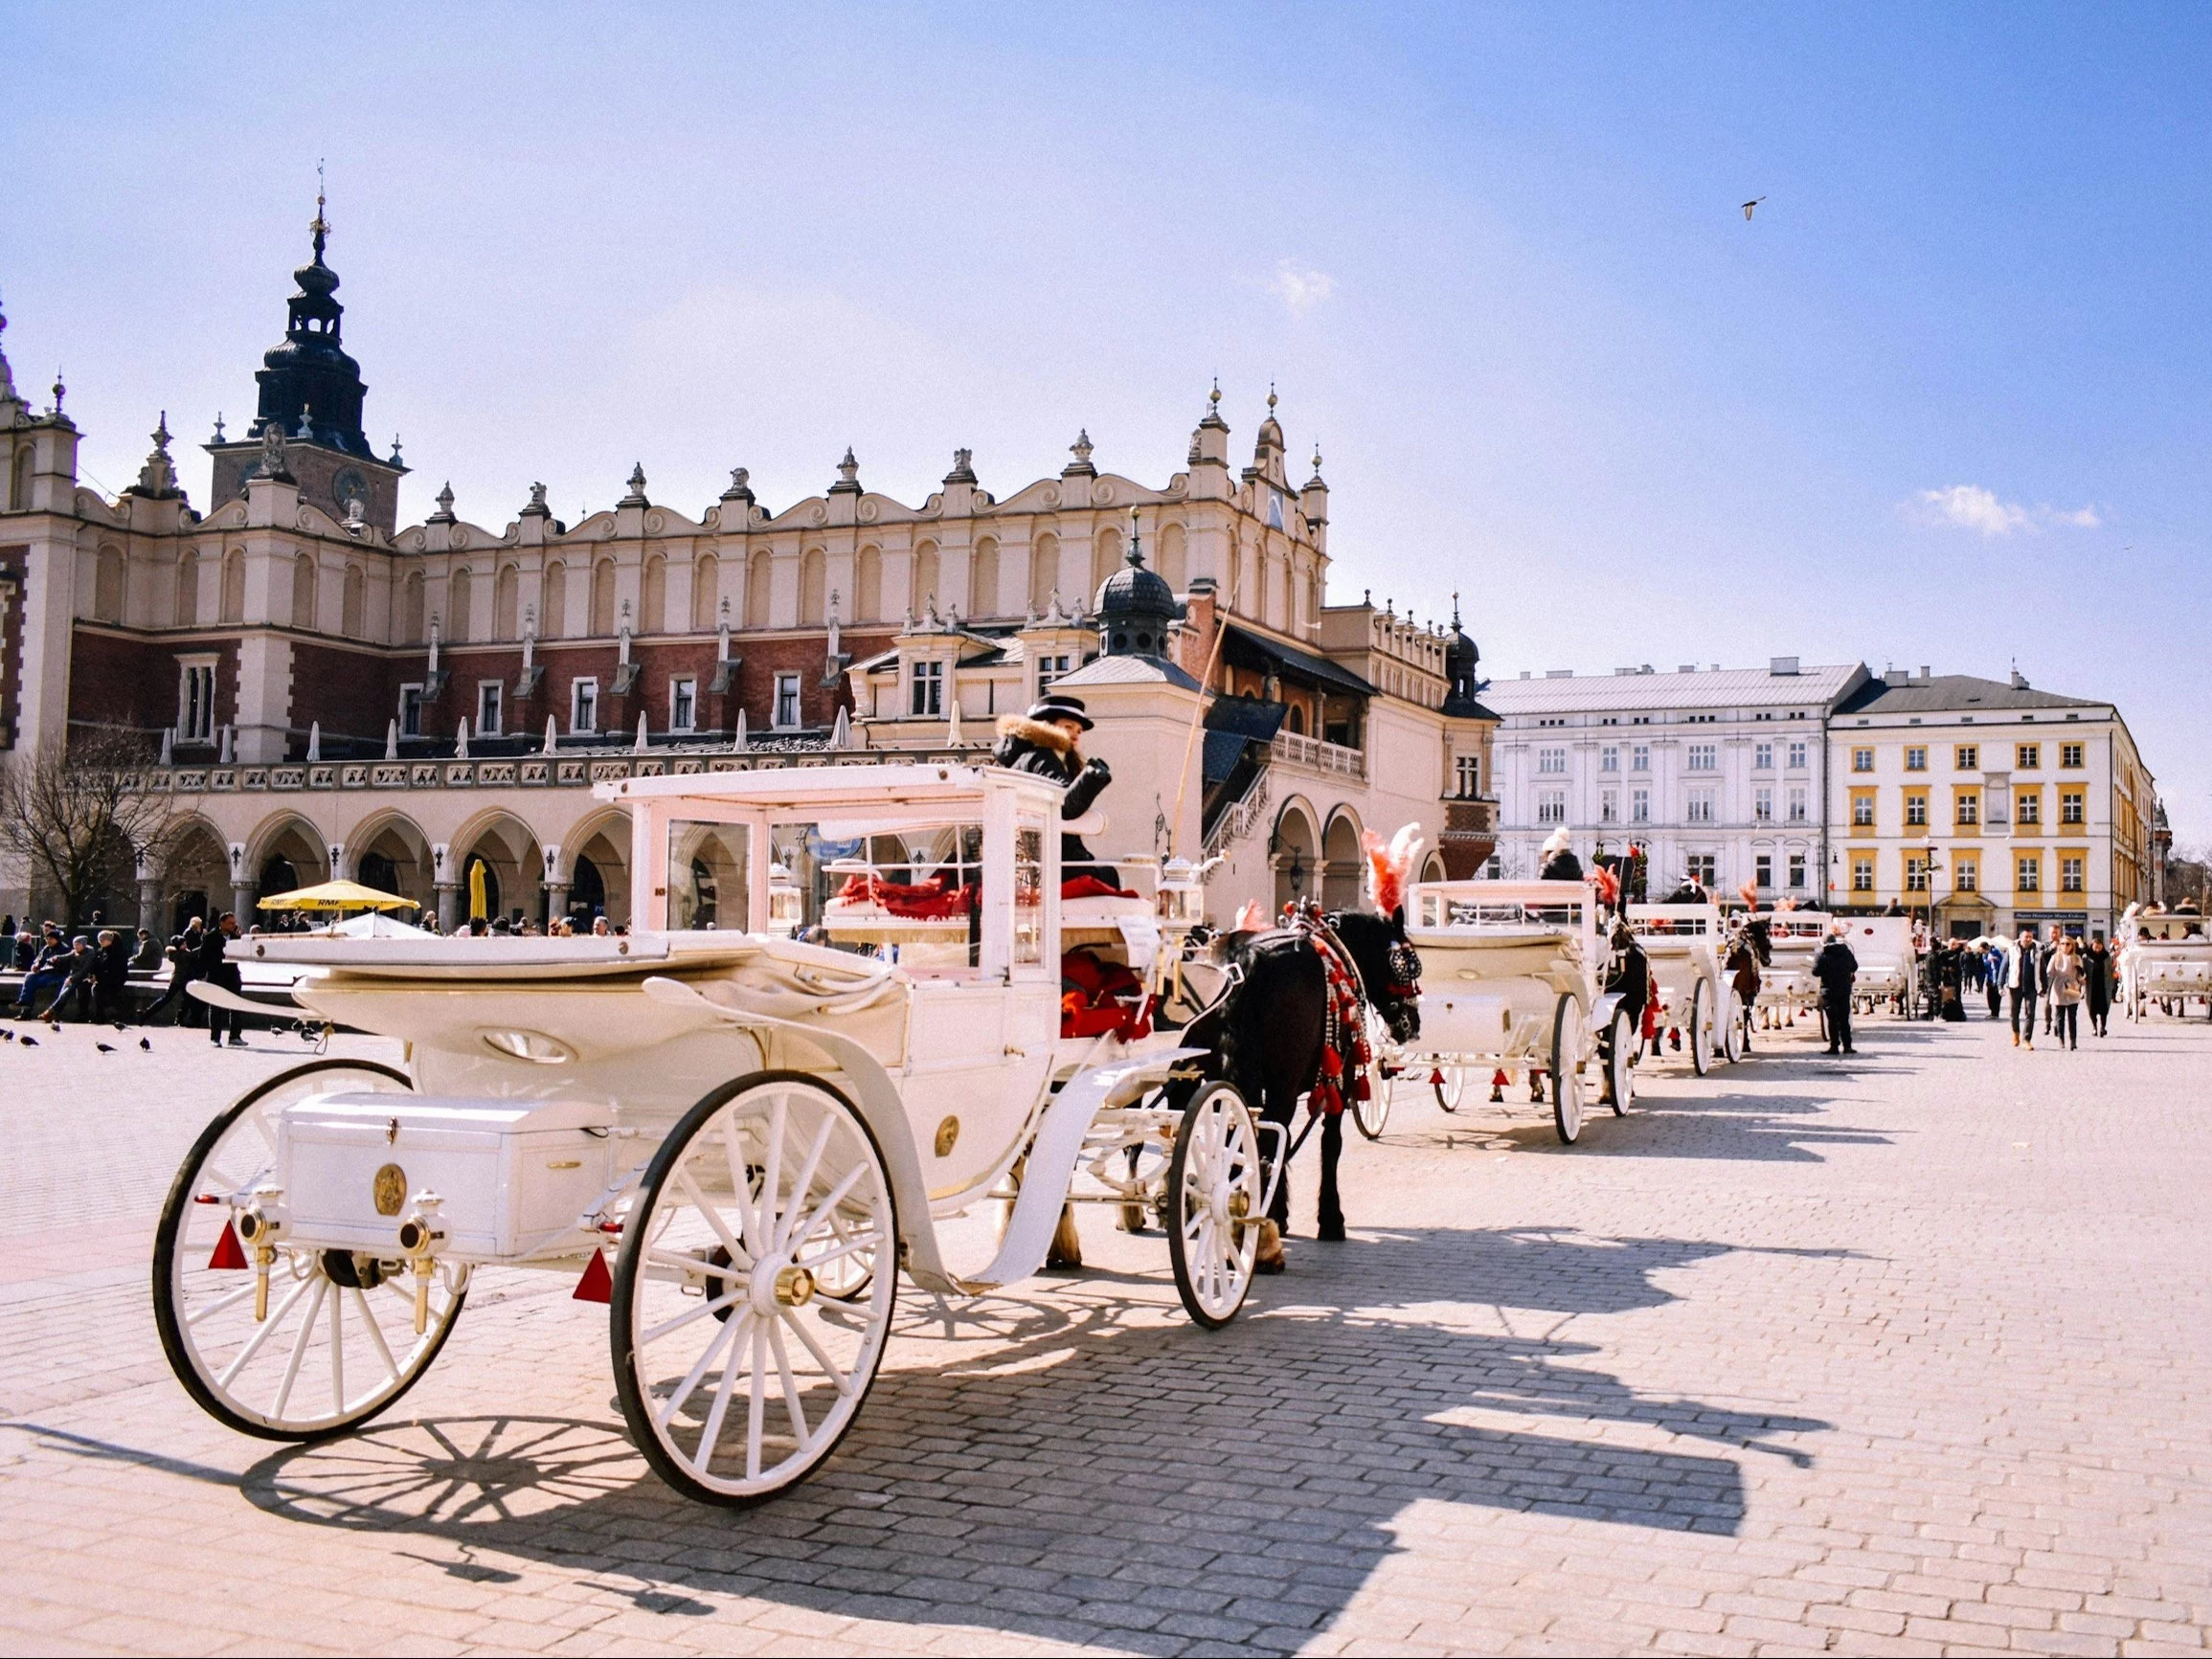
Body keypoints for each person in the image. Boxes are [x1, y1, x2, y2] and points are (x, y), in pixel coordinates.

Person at [991, 692, 1117, 887]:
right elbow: (1065, 806)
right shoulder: (1043, 757)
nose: (1076, 733)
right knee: (1109, 875)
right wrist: (1093, 775)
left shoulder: (1030, 756)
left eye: (1079, 730)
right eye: (1068, 727)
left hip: (1040, 863)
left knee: (1108, 873)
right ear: (1046, 725)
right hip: (1056, 865)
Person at [141, 915, 206, 1026]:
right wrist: (205, 941)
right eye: (184, 944)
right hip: (182, 980)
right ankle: (193, 1020)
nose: (186, 945)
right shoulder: (184, 954)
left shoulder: (176, 954)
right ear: (180, 946)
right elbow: (195, 952)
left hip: (177, 980)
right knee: (190, 1000)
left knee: (169, 999)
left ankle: (146, 1014)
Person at [198, 912, 247, 1048]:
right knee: (215, 1007)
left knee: (236, 1005)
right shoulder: (210, 937)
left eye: (234, 923)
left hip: (232, 975)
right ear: (222, 923)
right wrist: (203, 974)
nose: (233, 925)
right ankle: (215, 1038)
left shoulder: (236, 938)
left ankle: (235, 1036)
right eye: (230, 923)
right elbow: (203, 957)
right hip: (216, 975)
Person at [1813, 922, 1859, 1055]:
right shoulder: (1846, 952)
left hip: (1828, 991)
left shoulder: (1823, 955)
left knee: (1832, 1020)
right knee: (1844, 1019)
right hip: (1844, 990)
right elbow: (1854, 967)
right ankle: (1847, 1046)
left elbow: (1815, 972)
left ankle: (1834, 1046)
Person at [11, 924, 70, 1017]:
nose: (48, 941)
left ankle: (26, 1010)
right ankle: (24, 1002)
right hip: (45, 972)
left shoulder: (64, 949)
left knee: (35, 983)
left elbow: (64, 965)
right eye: (47, 939)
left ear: (56, 939)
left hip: (57, 974)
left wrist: (51, 963)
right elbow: (40, 960)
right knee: (30, 977)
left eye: (51, 939)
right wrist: (36, 965)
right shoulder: (47, 948)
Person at [2008, 925, 2042, 1050]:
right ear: (2020, 938)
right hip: (2015, 986)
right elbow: (2005, 966)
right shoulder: (2012, 950)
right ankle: (2016, 1032)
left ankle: (2026, 1039)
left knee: (2030, 1013)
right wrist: (2000, 983)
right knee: (2013, 1012)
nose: (2028, 939)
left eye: (2030, 937)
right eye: (2026, 937)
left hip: (2031, 987)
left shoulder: (2037, 952)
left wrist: (2043, 986)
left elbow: (2041, 969)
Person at [2048, 936, 2085, 1049]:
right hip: (2059, 985)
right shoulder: (2055, 957)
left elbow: (2081, 974)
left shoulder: (2076, 958)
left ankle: (2073, 1041)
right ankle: (2061, 1039)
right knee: (2060, 1016)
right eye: (2063, 944)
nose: (2065, 946)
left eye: (2068, 944)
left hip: (2072, 985)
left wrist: (2082, 983)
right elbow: (2049, 972)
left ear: (2072, 946)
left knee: (2072, 1016)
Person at [2085, 935, 2112, 1038]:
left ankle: (2103, 1028)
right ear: (2092, 946)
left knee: (2104, 1009)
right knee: (2092, 1009)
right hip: (2091, 986)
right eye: (2095, 947)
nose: (2097, 949)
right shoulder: (2087, 957)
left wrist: (2112, 985)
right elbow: (2083, 970)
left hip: (2103, 986)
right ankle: (2094, 1027)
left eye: (2099, 947)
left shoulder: (2107, 957)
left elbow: (2111, 971)